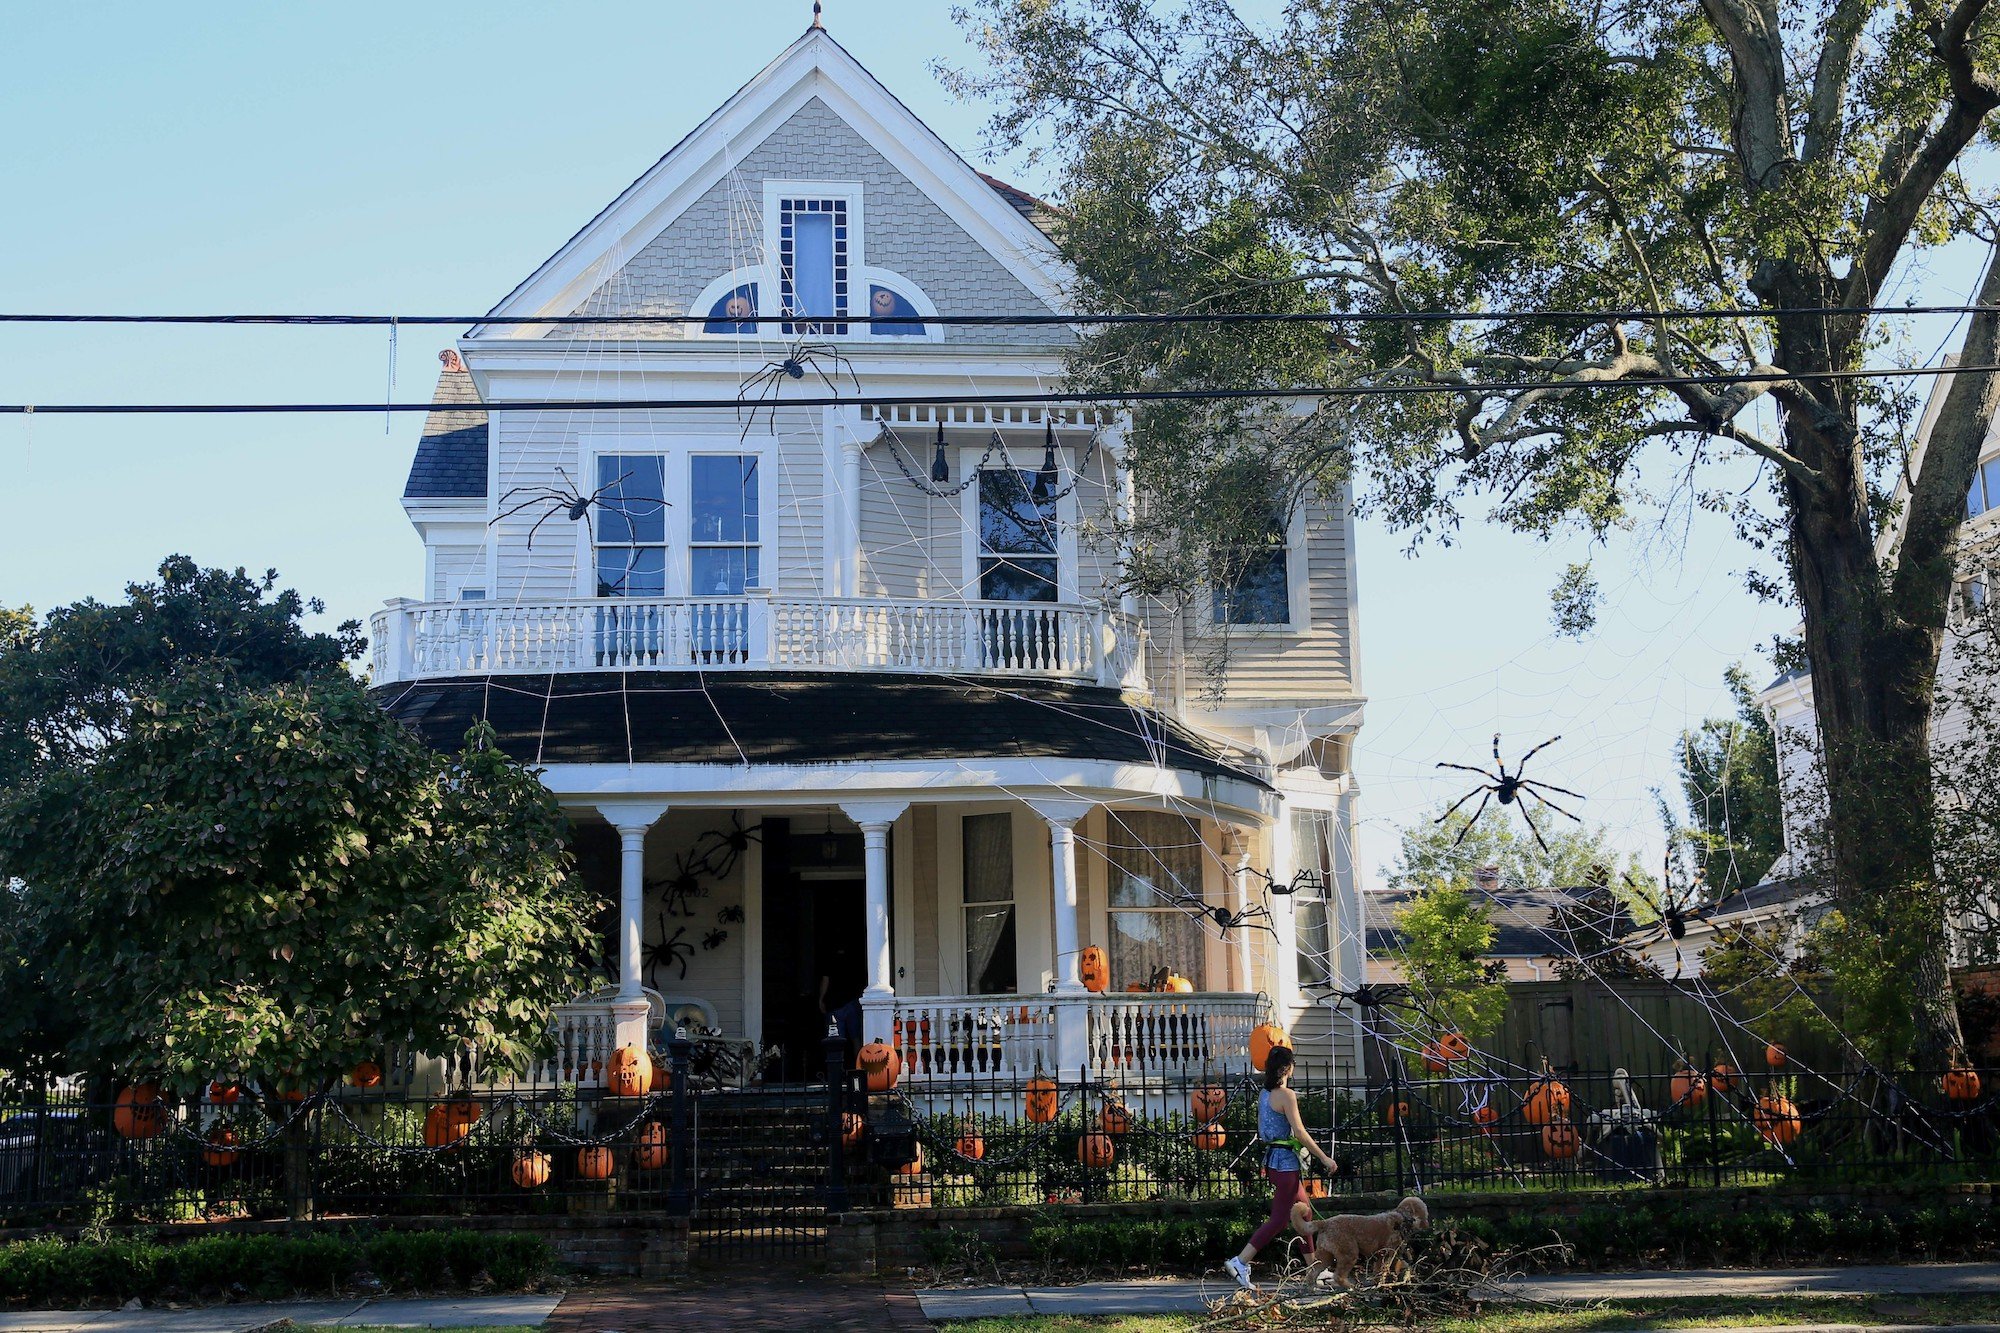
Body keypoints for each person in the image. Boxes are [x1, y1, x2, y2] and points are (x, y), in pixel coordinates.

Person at [1226, 1045, 1337, 1290]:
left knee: (1305, 1214)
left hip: (1275, 1160)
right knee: (1278, 1220)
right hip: (1285, 1163)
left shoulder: (1265, 1094)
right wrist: (1324, 1158)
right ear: (1288, 1068)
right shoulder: (1287, 1095)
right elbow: (1299, 1132)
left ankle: (1314, 1270)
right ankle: (1240, 1261)